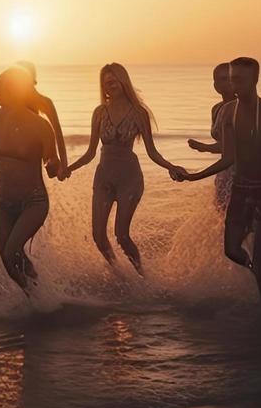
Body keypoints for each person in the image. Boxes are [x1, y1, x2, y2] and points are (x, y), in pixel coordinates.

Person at [177, 58, 261, 307]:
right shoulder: (226, 112)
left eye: (240, 80)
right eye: (232, 79)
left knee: (260, 250)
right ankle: (259, 274)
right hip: (240, 188)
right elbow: (228, 158)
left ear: (255, 80)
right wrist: (193, 176)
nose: (234, 85)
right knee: (232, 250)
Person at [65, 64, 183, 274]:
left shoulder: (139, 113)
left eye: (114, 80)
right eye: (106, 82)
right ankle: (119, 272)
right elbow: (91, 152)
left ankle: (141, 275)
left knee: (121, 234)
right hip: (104, 178)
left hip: (129, 179)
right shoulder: (99, 113)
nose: (110, 85)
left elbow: (152, 152)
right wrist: (69, 168)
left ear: (123, 81)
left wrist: (171, 166)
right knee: (98, 235)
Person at [0, 66, 57, 290]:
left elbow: (51, 163)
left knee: (11, 251)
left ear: (14, 90)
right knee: (8, 261)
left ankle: (41, 298)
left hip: (33, 202)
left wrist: (57, 167)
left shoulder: (41, 126)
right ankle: (38, 296)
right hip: (5, 204)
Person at [188, 62, 237, 210]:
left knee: (239, 218)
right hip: (224, 168)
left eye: (229, 78)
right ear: (215, 85)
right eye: (220, 79)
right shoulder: (216, 108)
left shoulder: (241, 107)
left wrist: (204, 147)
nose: (225, 83)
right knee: (221, 211)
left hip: (244, 169)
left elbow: (235, 147)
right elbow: (224, 144)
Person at [16, 61, 69, 179]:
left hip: (33, 154)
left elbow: (58, 133)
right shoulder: (13, 103)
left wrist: (63, 166)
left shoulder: (44, 102)